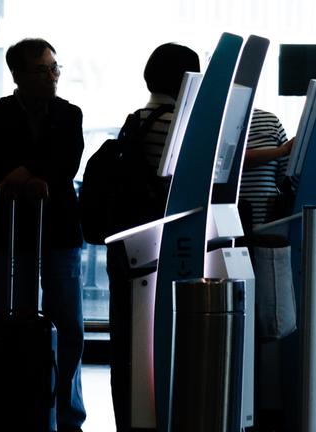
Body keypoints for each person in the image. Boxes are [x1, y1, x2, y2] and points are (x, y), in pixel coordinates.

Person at [0, 38, 86, 432]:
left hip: (59, 230)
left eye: (55, 67)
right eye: (43, 69)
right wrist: (23, 174)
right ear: (19, 75)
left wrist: (25, 172)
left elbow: (66, 161)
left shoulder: (69, 113)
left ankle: (67, 414)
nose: (53, 75)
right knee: (10, 319)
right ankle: (13, 406)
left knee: (68, 325)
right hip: (9, 230)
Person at [105, 42, 200, 431]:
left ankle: (129, 418)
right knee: (151, 342)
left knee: (127, 341)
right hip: (157, 249)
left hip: (128, 247)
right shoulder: (173, 123)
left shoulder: (138, 118)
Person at [238, 108, 296, 431]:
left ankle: (255, 409)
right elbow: (234, 160)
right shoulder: (225, 117)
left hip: (264, 235)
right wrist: (281, 151)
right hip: (234, 239)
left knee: (263, 326)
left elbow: (285, 177)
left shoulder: (269, 120)